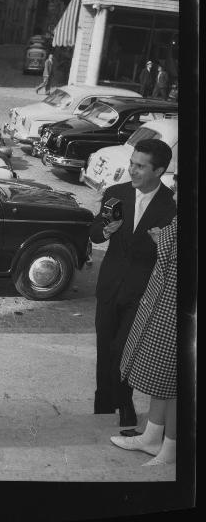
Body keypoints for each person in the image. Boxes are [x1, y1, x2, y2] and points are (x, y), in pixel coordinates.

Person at [90, 139, 176, 427]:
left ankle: (124, 403)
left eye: (140, 166)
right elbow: (94, 233)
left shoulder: (172, 206)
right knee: (105, 348)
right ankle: (103, 406)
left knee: (123, 350)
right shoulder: (116, 193)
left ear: (159, 170)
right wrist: (105, 229)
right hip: (109, 286)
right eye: (132, 163)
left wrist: (160, 241)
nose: (132, 170)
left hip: (142, 293)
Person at [110, 180, 177, 466]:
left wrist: (161, 240)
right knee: (162, 377)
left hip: (173, 304)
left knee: (174, 383)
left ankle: (171, 449)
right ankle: (152, 436)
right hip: (161, 300)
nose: (175, 187)